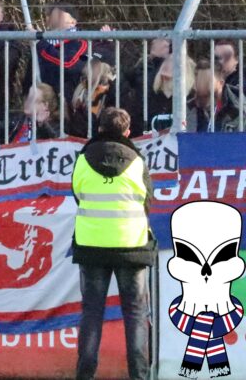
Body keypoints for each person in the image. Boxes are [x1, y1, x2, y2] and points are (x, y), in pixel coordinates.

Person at [71, 107, 155, 380]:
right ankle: (139, 375)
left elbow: (78, 194)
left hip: (91, 245)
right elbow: (147, 202)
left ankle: (85, 374)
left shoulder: (83, 159)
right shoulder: (137, 161)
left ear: (99, 129)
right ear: (128, 132)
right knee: (135, 313)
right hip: (131, 246)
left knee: (92, 312)